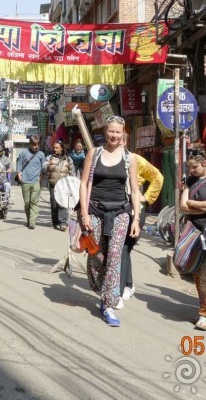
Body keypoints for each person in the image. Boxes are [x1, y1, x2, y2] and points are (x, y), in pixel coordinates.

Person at [78, 116, 142, 327]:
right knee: (96, 255)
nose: (114, 136)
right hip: (95, 209)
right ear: (105, 132)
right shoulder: (94, 153)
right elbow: (84, 184)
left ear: (123, 134)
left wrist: (136, 218)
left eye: (118, 132)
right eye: (111, 131)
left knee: (115, 257)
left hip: (121, 212)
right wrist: (84, 213)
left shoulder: (129, 158)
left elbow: (134, 189)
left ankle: (108, 304)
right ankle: (102, 289)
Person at [178, 149, 206, 330]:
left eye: (194, 167)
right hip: (193, 230)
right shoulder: (190, 181)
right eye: (189, 168)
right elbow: (182, 206)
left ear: (204, 162)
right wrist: (197, 207)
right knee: (196, 271)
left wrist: (191, 204)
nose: (192, 171)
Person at [119, 149, 164, 304]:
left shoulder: (136, 160)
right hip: (115, 208)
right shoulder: (107, 157)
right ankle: (125, 284)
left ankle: (125, 286)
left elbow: (158, 177)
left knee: (125, 247)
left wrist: (146, 197)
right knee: (120, 249)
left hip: (134, 209)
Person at [16, 135, 47, 229]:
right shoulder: (24, 153)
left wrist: (40, 178)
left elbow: (44, 167)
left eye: (36, 145)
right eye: (33, 145)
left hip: (36, 182)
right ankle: (29, 218)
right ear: (30, 143)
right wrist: (19, 176)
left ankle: (32, 222)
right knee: (27, 203)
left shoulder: (41, 154)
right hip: (25, 181)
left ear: (38, 144)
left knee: (34, 201)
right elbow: (19, 164)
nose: (34, 146)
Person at [45, 140, 74, 231]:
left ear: (62, 148)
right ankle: (55, 222)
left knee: (63, 203)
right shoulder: (50, 157)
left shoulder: (68, 159)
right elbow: (43, 167)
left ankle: (63, 223)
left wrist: (72, 184)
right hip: (53, 185)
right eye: (54, 147)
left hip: (63, 185)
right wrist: (47, 166)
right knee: (54, 204)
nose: (55, 149)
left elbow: (72, 172)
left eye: (57, 148)